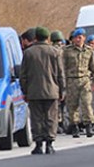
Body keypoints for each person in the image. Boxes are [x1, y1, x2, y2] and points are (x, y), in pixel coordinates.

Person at [20, 27, 65, 155]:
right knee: (51, 117)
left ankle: (38, 144)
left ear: (36, 37)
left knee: (37, 118)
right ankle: (50, 144)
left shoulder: (28, 53)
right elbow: (60, 74)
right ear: (47, 38)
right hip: (52, 91)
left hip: (34, 92)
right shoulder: (55, 52)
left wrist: (25, 91)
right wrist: (62, 90)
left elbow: (23, 75)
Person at [62, 28, 94, 138]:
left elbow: (93, 66)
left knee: (87, 103)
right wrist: (63, 82)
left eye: (81, 37)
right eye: (76, 37)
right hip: (71, 80)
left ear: (84, 38)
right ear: (73, 39)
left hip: (85, 80)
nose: (79, 39)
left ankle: (88, 125)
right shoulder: (67, 51)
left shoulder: (88, 50)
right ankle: (75, 126)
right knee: (72, 105)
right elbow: (63, 67)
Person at [50, 30, 68, 134]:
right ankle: (64, 123)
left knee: (57, 104)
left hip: (54, 79)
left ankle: (58, 123)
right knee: (65, 103)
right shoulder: (65, 50)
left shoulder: (51, 50)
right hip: (65, 78)